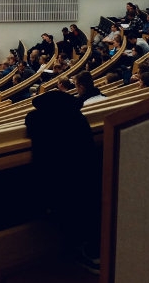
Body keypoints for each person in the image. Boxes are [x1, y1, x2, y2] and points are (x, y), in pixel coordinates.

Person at [25, 83, 101, 271]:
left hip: (58, 184)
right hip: (87, 178)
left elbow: (30, 120)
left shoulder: (40, 120)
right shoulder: (79, 120)